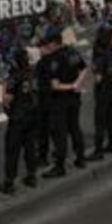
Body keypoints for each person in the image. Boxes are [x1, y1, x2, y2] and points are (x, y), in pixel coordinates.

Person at [42, 26, 88, 179]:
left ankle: (60, 166)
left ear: (55, 43)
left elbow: (55, 85)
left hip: (60, 101)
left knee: (60, 133)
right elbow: (84, 69)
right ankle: (80, 158)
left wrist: (71, 86)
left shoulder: (55, 60)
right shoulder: (72, 52)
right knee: (75, 128)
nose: (47, 46)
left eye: (49, 43)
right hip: (74, 99)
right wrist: (78, 84)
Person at [0, 47, 38, 195]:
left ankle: (9, 182)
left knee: (12, 150)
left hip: (18, 116)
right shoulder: (32, 73)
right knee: (30, 147)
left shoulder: (15, 77)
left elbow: (7, 99)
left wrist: (6, 105)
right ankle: (31, 176)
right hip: (32, 113)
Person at [87, 26, 112, 161]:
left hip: (104, 90)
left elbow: (98, 78)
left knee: (100, 121)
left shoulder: (100, 55)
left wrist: (94, 71)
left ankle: (98, 150)